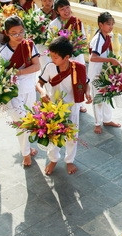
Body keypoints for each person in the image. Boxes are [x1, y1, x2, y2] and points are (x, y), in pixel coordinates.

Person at [36, 36, 92, 175]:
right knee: (53, 134)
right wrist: (43, 92)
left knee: (71, 135)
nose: (52, 59)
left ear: (66, 57)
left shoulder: (78, 68)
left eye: (55, 57)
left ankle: (69, 160)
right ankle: (53, 159)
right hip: (53, 107)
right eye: (51, 56)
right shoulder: (50, 67)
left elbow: (86, 83)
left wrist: (88, 93)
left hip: (72, 107)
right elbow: (39, 83)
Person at [0, 16, 41, 167]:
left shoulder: (29, 45)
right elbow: (1, 76)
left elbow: (36, 66)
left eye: (21, 32)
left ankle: (27, 147)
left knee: (29, 119)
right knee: (21, 122)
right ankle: (26, 153)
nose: (19, 36)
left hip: (29, 89)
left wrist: (19, 73)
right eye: (14, 33)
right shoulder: (3, 52)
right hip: (13, 92)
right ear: (7, 33)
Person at [88, 11, 122, 134]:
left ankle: (107, 119)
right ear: (100, 25)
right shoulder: (98, 39)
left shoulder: (107, 36)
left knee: (107, 96)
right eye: (108, 24)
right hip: (96, 73)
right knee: (98, 98)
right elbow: (93, 57)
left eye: (112, 24)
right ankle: (97, 123)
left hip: (104, 71)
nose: (111, 26)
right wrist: (110, 60)